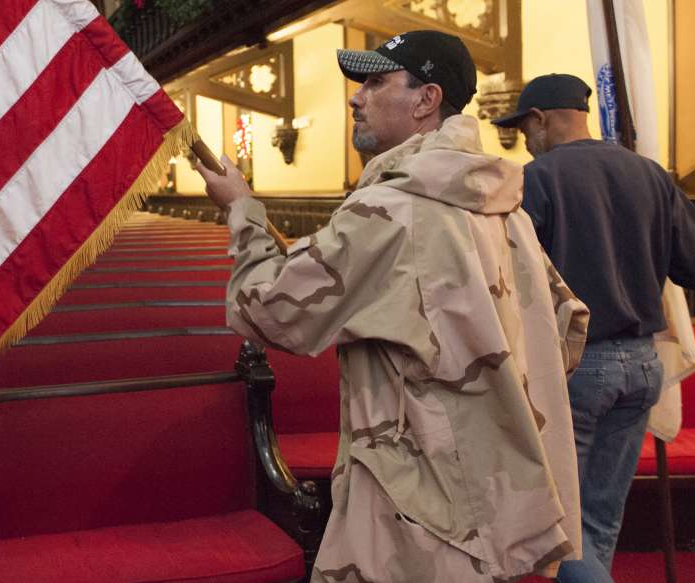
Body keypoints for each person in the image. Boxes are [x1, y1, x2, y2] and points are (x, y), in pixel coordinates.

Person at [197, 30, 589, 582]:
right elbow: (566, 322)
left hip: (416, 490)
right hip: (494, 475)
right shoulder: (501, 202)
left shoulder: (393, 211)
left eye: (376, 82)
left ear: (426, 99)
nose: (356, 97)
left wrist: (242, 211)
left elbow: (267, 309)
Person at [492, 74, 695, 583]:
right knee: (598, 522)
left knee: (561, 529)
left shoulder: (536, 178)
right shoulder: (651, 174)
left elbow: (507, 278)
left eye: (525, 127)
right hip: (643, 365)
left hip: (576, 367)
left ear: (541, 119)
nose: (525, 139)